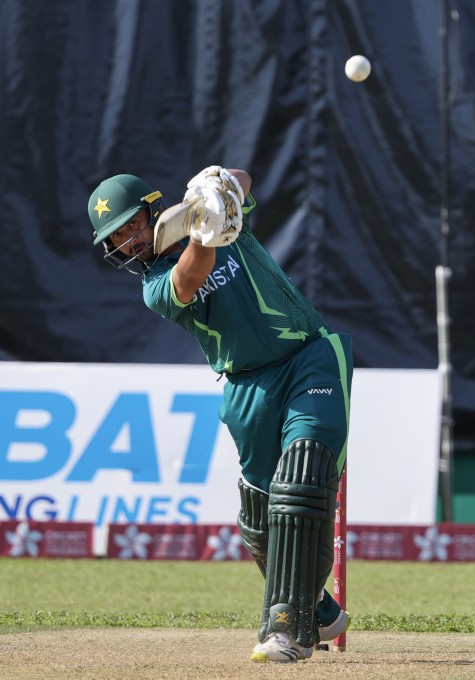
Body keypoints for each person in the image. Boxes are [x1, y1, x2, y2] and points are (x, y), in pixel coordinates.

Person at [87, 167, 352, 661]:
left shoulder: (222, 217)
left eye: (131, 227)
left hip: (308, 357)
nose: (128, 242)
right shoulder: (155, 285)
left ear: (152, 210)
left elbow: (243, 178)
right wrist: (205, 231)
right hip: (246, 386)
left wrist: (216, 188)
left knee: (302, 474)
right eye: (117, 238)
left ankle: (287, 629)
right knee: (260, 516)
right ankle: (317, 606)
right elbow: (192, 275)